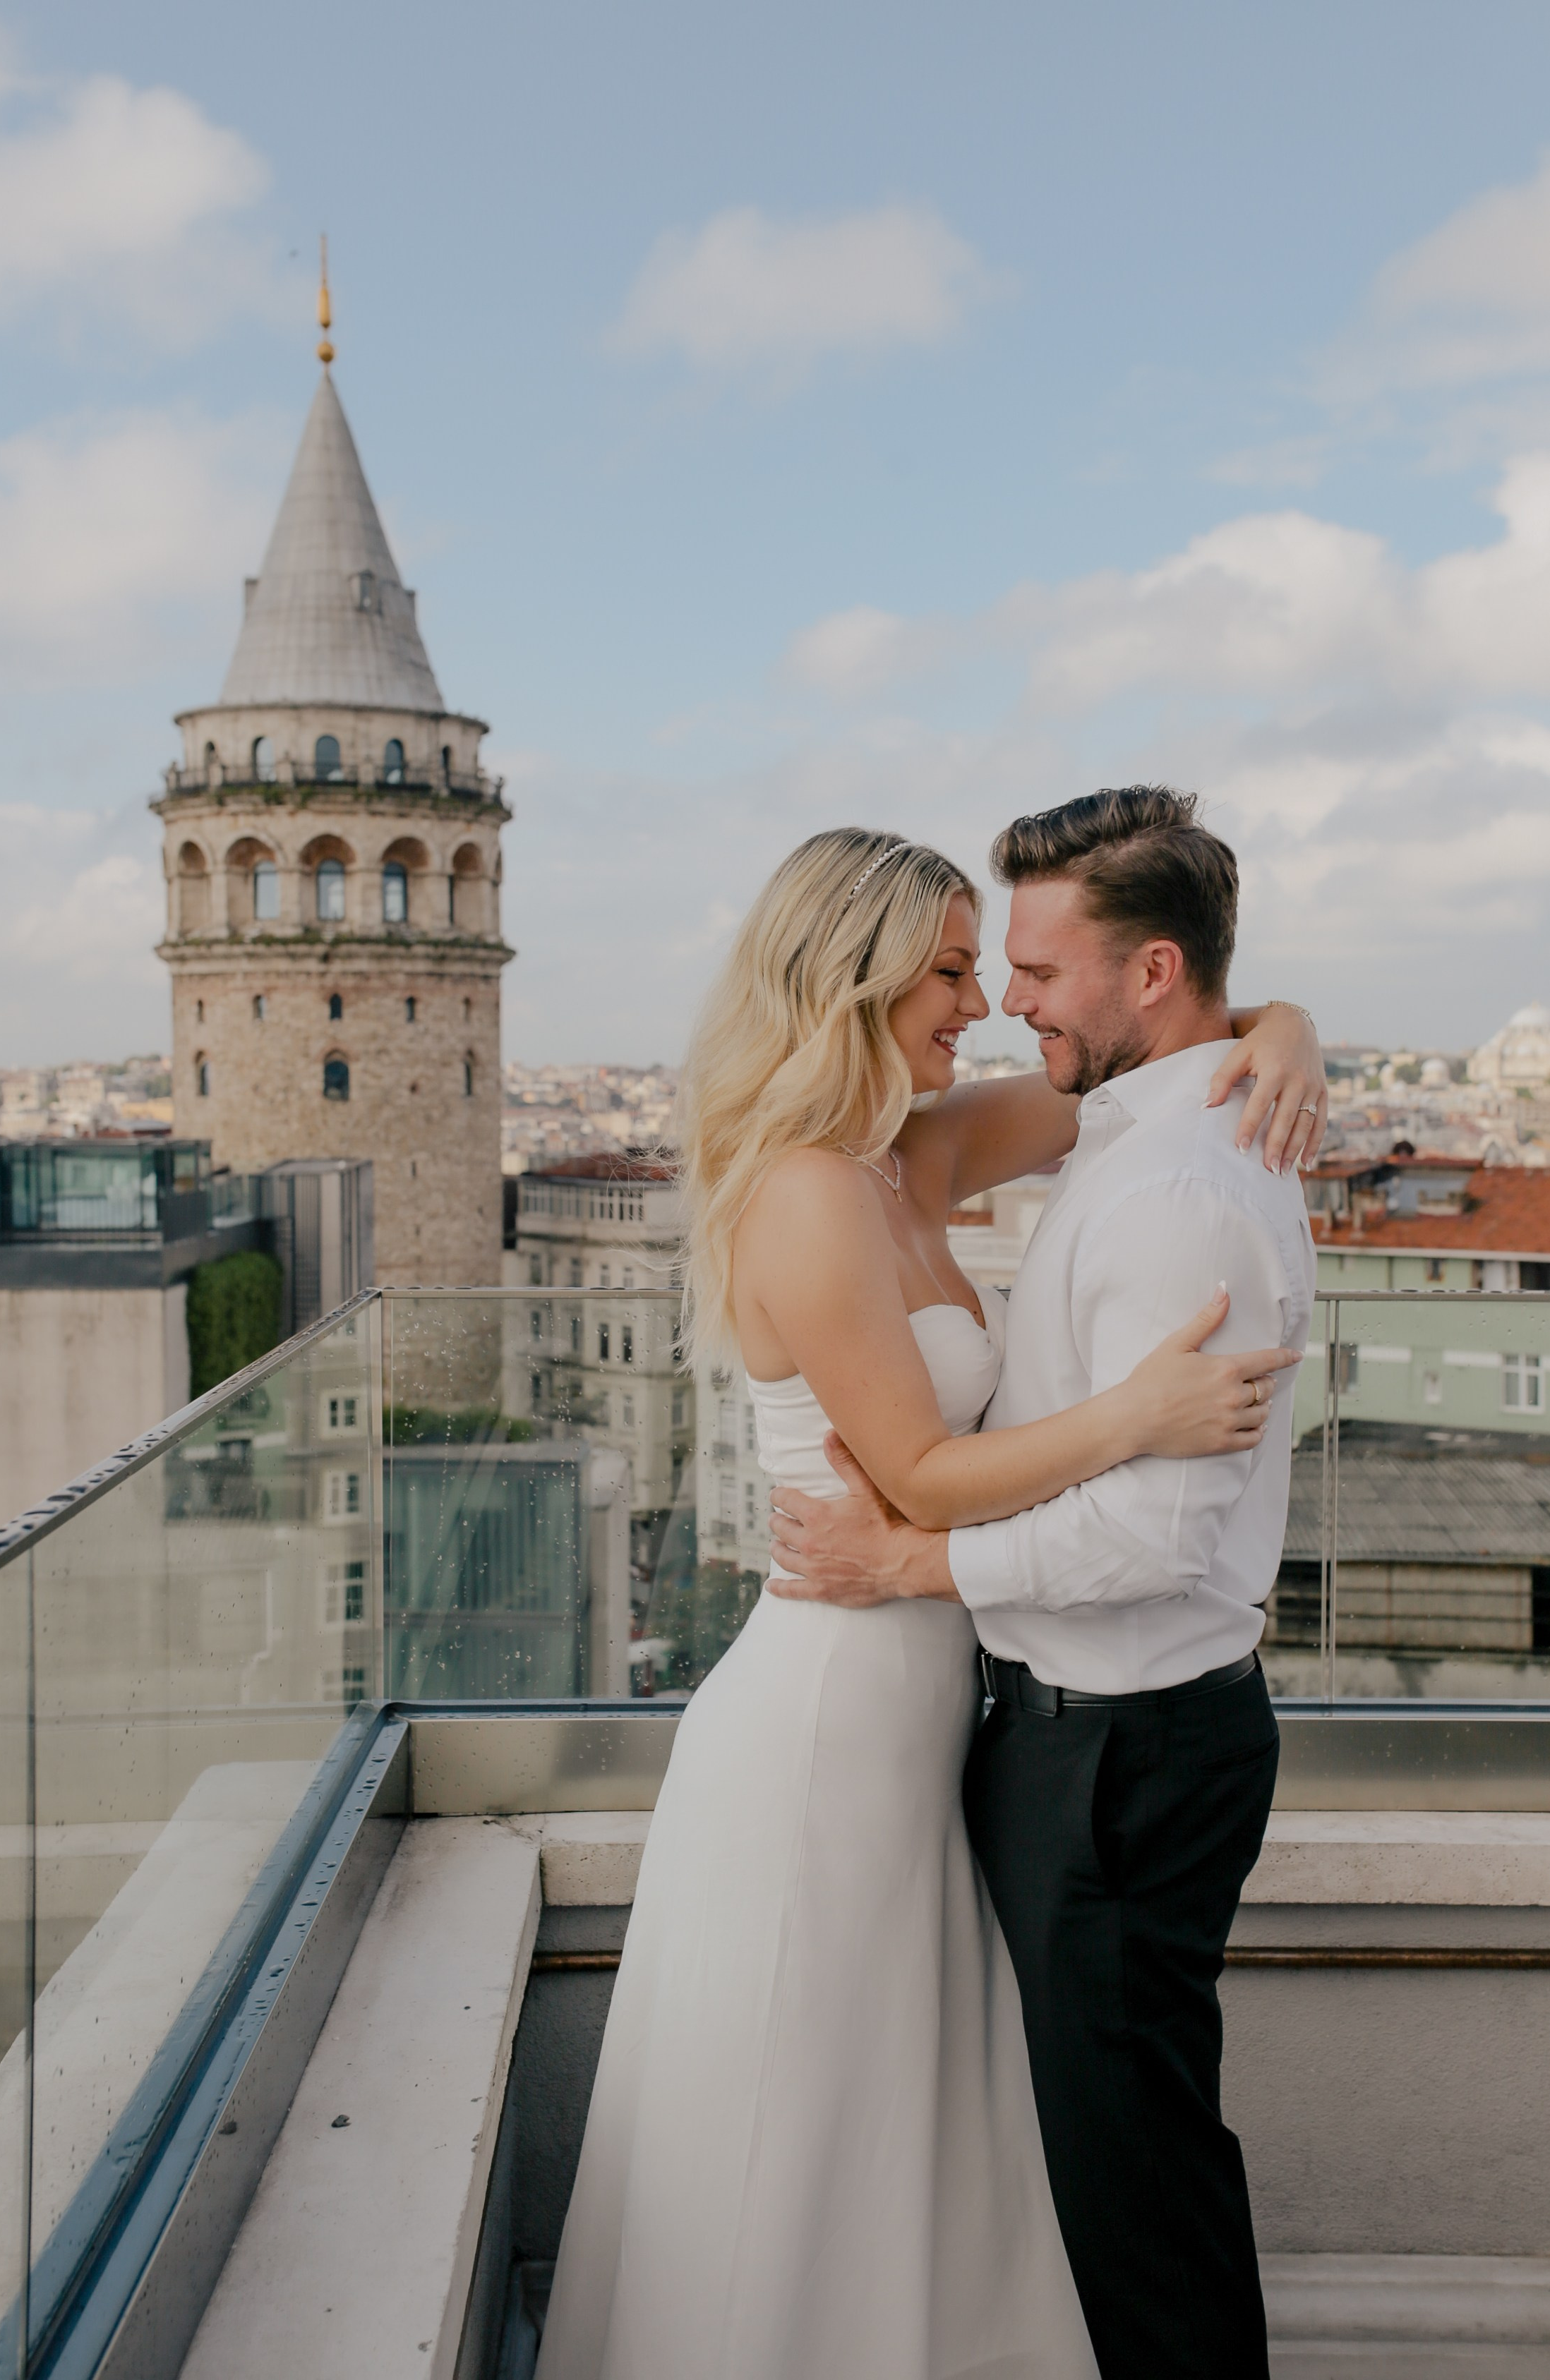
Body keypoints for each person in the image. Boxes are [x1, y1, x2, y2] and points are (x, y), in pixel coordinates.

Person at [535, 815, 1321, 2380]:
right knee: (805, 2098)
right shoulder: (811, 1194)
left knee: (906, 2095)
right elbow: (912, 1475)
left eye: (987, 965)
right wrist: (1136, 1418)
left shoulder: (916, 1149)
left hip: (932, 1702)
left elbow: (1145, 1058)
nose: (979, 1002)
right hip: (830, 1705)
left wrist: (1288, 1030)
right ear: (856, 978)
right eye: (952, 971)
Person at [769, 788, 1316, 2380]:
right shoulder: (1137, 1131)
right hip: (1093, 1731)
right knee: (1113, 2153)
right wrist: (1282, 1021)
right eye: (970, 970)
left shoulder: (1175, 1186)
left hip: (1120, 1748)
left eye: (1026, 966)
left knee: (1134, 2183)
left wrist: (919, 1560)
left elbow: (1156, 1535)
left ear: (1149, 975)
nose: (1005, 1001)